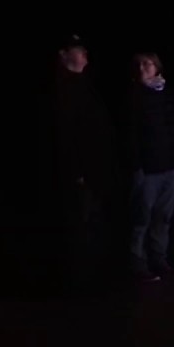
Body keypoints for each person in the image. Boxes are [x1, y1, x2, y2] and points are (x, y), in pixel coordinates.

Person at [52, 34, 114, 289]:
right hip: (81, 174)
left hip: (95, 170)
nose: (84, 54)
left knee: (94, 222)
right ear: (64, 54)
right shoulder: (62, 90)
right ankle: (82, 279)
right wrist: (77, 171)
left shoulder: (84, 85)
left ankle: (94, 275)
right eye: (78, 50)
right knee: (82, 225)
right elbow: (65, 135)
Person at [127, 52, 174, 282]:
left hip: (169, 167)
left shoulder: (166, 95)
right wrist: (136, 167)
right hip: (149, 169)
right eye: (139, 65)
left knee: (163, 217)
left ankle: (160, 259)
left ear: (157, 68)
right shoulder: (134, 97)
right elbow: (131, 136)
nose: (142, 68)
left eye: (147, 64)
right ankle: (137, 263)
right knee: (142, 218)